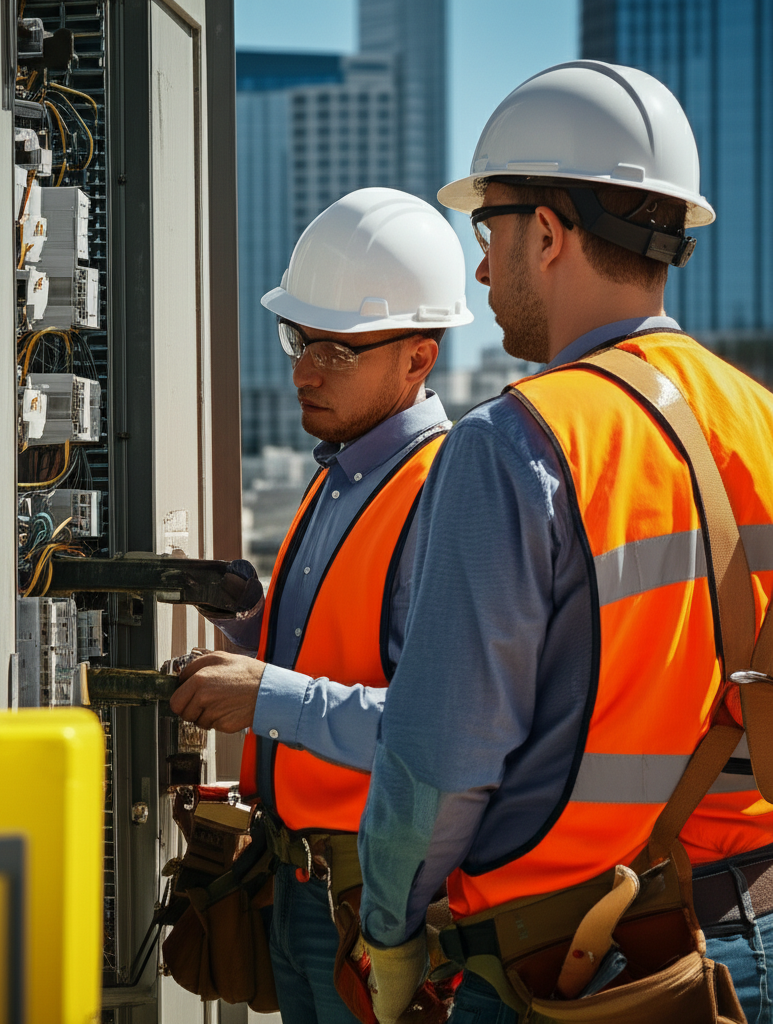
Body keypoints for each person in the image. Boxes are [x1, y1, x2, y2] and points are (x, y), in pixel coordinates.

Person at [355, 61, 773, 1023]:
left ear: (546, 232)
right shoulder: (756, 419)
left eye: (487, 231)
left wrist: (390, 932)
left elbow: (440, 764)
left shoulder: (518, 442)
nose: (481, 267)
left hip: (578, 968)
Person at [169, 186, 473, 1024]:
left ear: (419, 358)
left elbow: (437, 730)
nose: (302, 369)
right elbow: (336, 654)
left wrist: (262, 694)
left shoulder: (444, 494)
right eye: (299, 338)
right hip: (300, 882)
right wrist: (241, 615)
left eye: (337, 349)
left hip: (382, 905)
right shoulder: (340, 474)